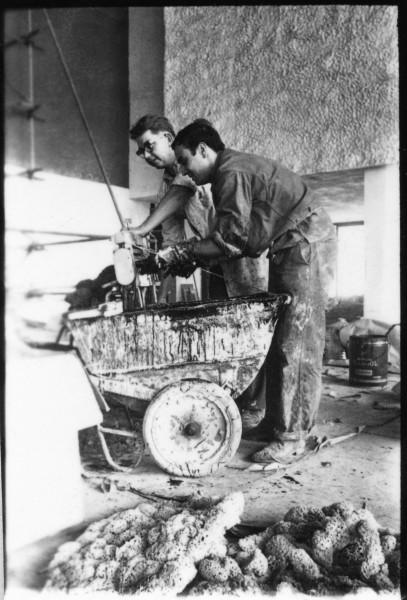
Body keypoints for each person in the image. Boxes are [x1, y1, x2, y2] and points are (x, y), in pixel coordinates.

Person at [156, 120, 337, 464]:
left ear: (204, 151)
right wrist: (193, 252)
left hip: (306, 242)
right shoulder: (232, 170)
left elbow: (231, 240)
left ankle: (293, 437)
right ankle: (274, 423)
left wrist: (185, 252)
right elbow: (242, 241)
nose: (182, 170)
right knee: (279, 338)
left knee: (295, 344)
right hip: (291, 244)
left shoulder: (231, 172)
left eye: (184, 160)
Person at [128, 115, 268, 302]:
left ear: (168, 139)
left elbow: (181, 190)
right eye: (140, 152)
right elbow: (170, 244)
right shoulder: (165, 192)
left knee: (260, 307)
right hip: (217, 260)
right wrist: (161, 300)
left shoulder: (194, 165)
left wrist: (141, 230)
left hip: (247, 255)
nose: (145, 155)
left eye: (149, 146)